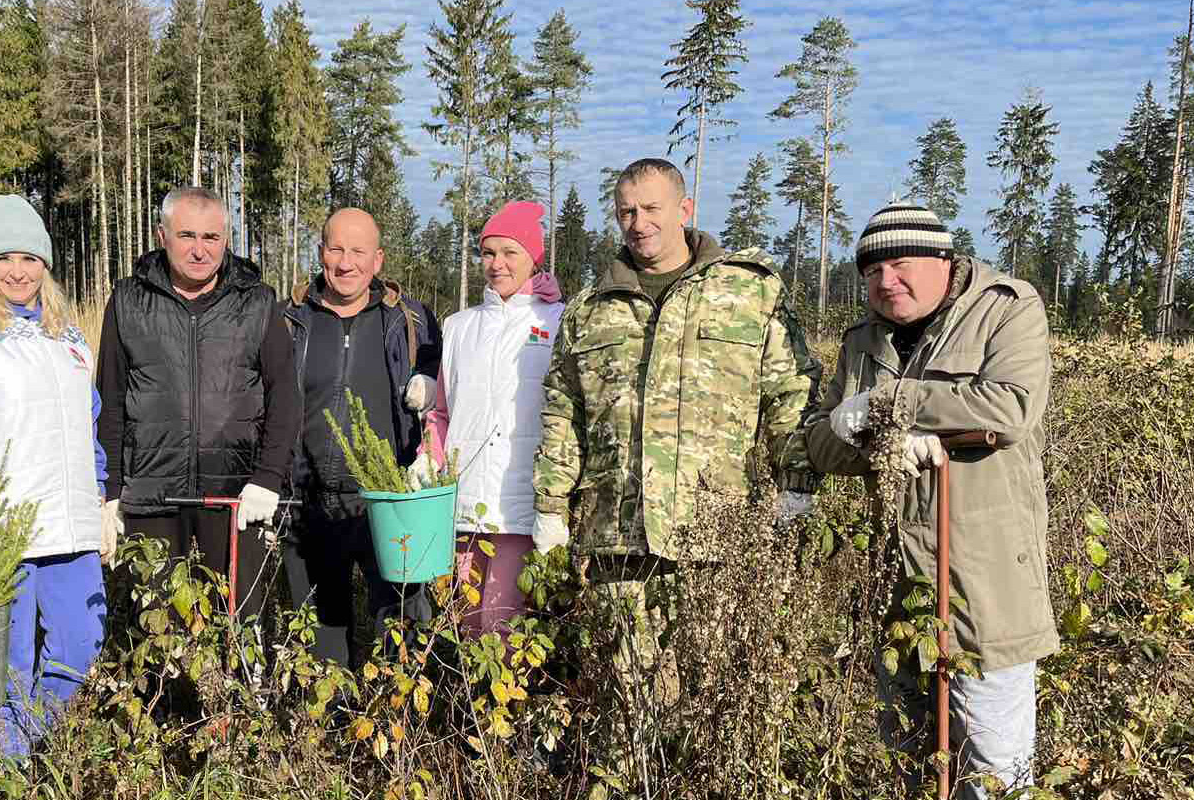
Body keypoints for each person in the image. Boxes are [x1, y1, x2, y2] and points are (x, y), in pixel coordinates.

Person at [532, 157, 821, 764]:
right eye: (627, 212)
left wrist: (794, 486)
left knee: (713, 702)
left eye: (652, 209)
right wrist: (551, 506)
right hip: (617, 539)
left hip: (714, 536)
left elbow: (790, 393)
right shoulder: (590, 309)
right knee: (623, 705)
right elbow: (564, 413)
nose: (639, 224)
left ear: (685, 211)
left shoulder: (749, 290)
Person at [804, 203, 1058, 799]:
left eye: (899, 263)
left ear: (942, 260)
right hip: (896, 588)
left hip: (986, 581)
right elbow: (820, 441)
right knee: (907, 759)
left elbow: (1010, 408)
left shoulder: (1007, 309)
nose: (885, 282)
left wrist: (893, 406)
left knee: (994, 769)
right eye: (871, 271)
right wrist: (872, 441)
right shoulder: (861, 339)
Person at [0, 195, 107, 758]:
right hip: (1, 525)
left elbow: (90, 421)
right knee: (10, 660)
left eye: (29, 257)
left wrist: (102, 497)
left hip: (72, 521)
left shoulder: (71, 337)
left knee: (82, 647)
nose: (17, 270)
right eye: (4, 256)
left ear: (45, 264)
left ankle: (29, 743)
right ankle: (4, 766)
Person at [96, 187, 300, 621]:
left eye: (211, 237)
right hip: (151, 494)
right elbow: (110, 402)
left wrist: (267, 478)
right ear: (162, 235)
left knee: (242, 621)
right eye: (187, 235)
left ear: (226, 240)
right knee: (154, 628)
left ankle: (245, 690)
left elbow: (285, 397)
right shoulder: (128, 301)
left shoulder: (258, 303)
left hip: (235, 495)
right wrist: (109, 491)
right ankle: (165, 693)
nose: (200, 250)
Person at [282, 207, 443, 666]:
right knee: (320, 635)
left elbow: (444, 388)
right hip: (308, 504)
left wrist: (429, 383)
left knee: (402, 627)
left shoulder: (412, 320)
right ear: (320, 253)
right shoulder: (290, 320)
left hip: (389, 504)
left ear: (378, 260)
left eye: (359, 251)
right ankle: (328, 730)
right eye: (336, 248)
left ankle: (401, 732)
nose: (346, 262)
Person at [416, 201, 563, 638]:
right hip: (462, 507)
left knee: (502, 629)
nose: (497, 264)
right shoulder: (460, 326)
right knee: (460, 627)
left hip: (520, 506)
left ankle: (510, 709)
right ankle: (467, 709)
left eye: (509, 252)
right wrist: (428, 458)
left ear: (532, 256)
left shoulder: (555, 321)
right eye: (488, 253)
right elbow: (442, 412)